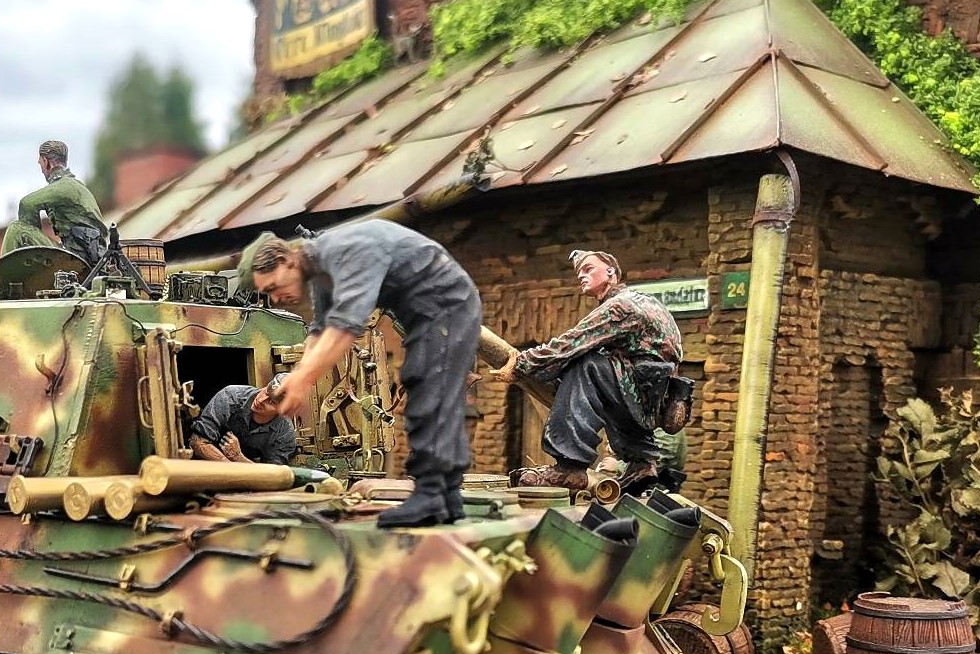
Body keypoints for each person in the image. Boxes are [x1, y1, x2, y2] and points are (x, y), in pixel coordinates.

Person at [239, 223, 482, 527]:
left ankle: (431, 494)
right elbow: (321, 330)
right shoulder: (319, 271)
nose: (274, 298)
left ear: (286, 261)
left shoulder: (341, 252)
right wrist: (297, 376)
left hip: (446, 305)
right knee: (428, 387)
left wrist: (303, 381)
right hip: (429, 312)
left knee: (429, 392)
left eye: (271, 287)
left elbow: (346, 327)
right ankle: (447, 498)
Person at [491, 249, 683, 490]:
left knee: (586, 362)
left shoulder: (620, 306)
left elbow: (573, 342)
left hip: (640, 391)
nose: (582, 275)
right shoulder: (643, 300)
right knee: (607, 368)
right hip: (651, 395)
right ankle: (641, 464)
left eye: (588, 268)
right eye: (579, 272)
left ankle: (568, 466)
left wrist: (522, 363)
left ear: (611, 272)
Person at [0, 140, 108, 263]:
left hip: (78, 258)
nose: (41, 170)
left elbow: (27, 203)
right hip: (80, 254)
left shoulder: (66, 186)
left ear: (46, 162)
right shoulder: (75, 186)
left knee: (16, 229)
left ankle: (4, 273)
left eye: (40, 163)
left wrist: (30, 242)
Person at [189, 383, 297, 465]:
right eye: (266, 392)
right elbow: (197, 442)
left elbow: (273, 476)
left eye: (271, 402)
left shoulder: (284, 432)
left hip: (246, 475)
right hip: (205, 465)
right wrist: (233, 467)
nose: (261, 400)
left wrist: (238, 458)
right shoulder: (231, 396)